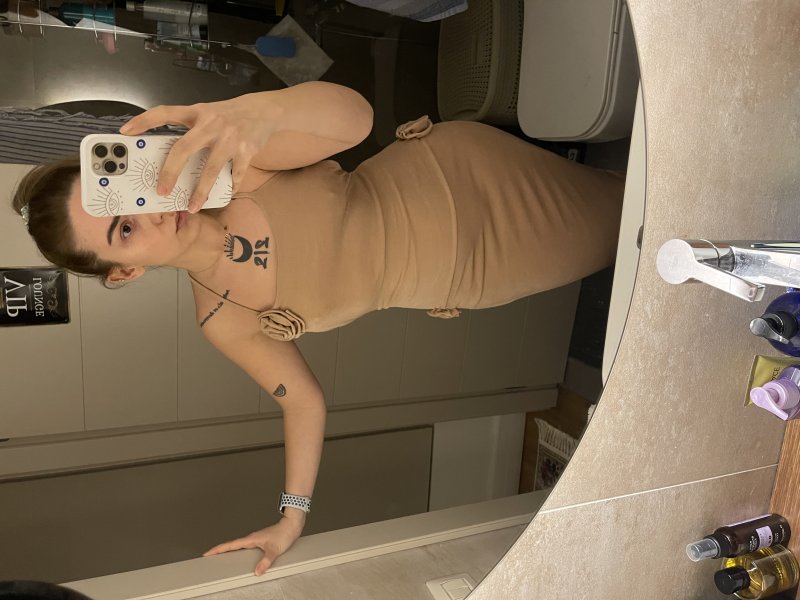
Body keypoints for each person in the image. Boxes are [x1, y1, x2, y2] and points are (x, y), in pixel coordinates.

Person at [11, 81, 624, 575]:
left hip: (459, 171)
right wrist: (292, 516)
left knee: (626, 202)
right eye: (122, 231)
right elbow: (301, 402)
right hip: (475, 270)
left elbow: (355, 119)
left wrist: (253, 112)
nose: (146, 215)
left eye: (129, 196)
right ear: (124, 273)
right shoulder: (224, 320)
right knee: (624, 235)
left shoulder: (239, 170)